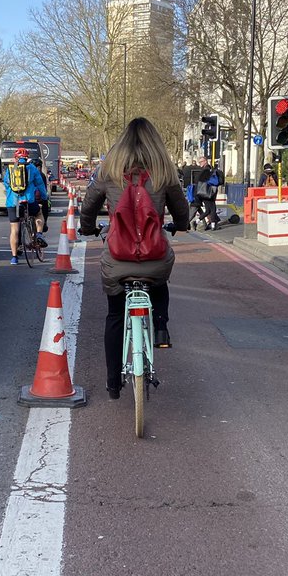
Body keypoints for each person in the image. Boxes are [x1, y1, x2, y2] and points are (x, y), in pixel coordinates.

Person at [78, 117, 190, 399]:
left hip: (118, 259)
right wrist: (181, 225)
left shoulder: (110, 170)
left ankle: (113, 382)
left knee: (115, 315)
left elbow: (89, 206)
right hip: (154, 257)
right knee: (159, 281)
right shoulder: (164, 170)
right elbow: (181, 209)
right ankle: (161, 325)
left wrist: (88, 228)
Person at [5, 148, 49, 264]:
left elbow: (6, 185)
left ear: (16, 158)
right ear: (27, 157)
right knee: (38, 213)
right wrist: (44, 198)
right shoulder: (32, 168)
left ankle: (14, 257)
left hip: (13, 203)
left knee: (14, 230)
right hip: (29, 201)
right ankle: (39, 234)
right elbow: (40, 185)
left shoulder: (9, 170)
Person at [189, 157, 221, 230]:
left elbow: (202, 181)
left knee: (208, 210)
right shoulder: (206, 170)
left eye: (202, 161)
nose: (200, 163)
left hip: (203, 192)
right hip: (207, 193)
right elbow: (211, 181)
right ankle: (212, 225)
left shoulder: (206, 170)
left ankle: (199, 222)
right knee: (211, 209)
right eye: (199, 162)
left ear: (206, 161)